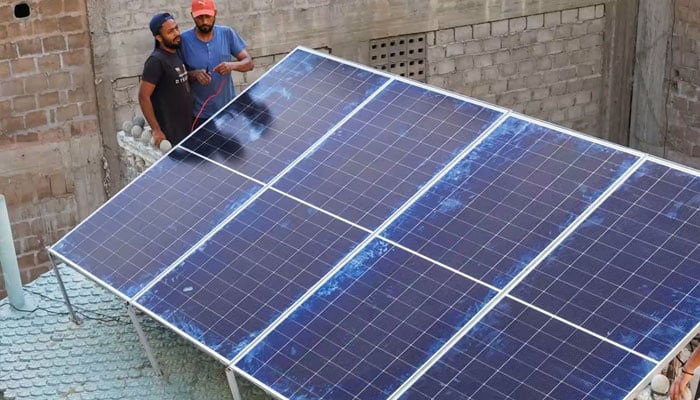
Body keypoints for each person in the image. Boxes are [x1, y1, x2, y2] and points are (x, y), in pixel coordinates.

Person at [179, 0, 254, 128]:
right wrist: (194, 74)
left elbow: (249, 63)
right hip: (199, 115)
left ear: (215, 13)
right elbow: (177, 76)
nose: (204, 22)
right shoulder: (183, 40)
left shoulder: (226, 33)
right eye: (199, 17)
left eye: (208, 16)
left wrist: (232, 66)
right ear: (192, 15)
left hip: (228, 110)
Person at [138, 13, 193, 147]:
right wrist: (156, 130)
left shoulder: (175, 54)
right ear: (159, 37)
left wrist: (195, 75)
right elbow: (143, 96)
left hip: (186, 130)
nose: (176, 33)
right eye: (170, 31)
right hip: (170, 135)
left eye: (176, 28)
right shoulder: (156, 61)